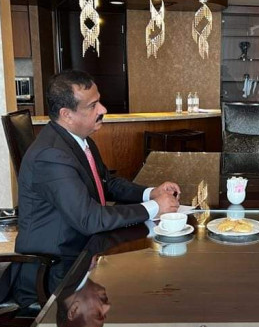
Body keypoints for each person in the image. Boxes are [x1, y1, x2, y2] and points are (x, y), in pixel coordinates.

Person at [15, 69, 180, 262]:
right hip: (55, 264)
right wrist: (154, 207)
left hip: (85, 247)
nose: (103, 110)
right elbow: (89, 219)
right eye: (93, 106)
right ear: (67, 115)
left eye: (99, 102)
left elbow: (106, 183)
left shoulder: (80, 140)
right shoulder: (51, 156)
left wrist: (150, 193)